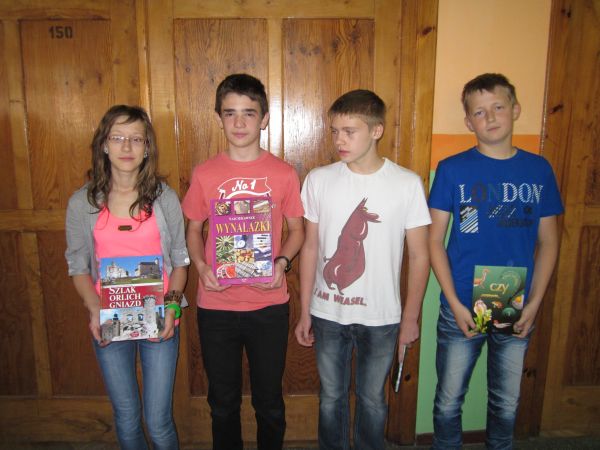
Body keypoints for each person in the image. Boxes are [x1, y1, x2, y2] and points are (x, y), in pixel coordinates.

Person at [428, 73, 563, 450]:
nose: (490, 117)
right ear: (468, 121)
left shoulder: (539, 170)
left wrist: (534, 303)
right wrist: (453, 302)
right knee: (448, 401)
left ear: (515, 110)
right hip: (461, 304)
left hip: (517, 302)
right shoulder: (452, 169)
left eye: (498, 107)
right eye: (479, 111)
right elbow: (435, 240)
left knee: (506, 402)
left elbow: (549, 242)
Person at [295, 89, 431, 450]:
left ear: (376, 130)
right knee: (331, 398)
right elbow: (310, 247)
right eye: (334, 131)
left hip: (381, 318)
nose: (339, 140)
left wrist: (410, 318)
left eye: (349, 131)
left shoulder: (406, 184)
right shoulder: (319, 179)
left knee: (372, 401)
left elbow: (420, 256)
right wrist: (305, 310)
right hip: (328, 312)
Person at [182, 73, 304, 450]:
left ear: (264, 119)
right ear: (219, 117)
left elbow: (297, 231)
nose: (239, 123)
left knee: (269, 404)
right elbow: (193, 230)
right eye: (230, 113)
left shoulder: (283, 173)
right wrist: (201, 267)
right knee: (223, 404)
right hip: (216, 306)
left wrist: (281, 263)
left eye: (248, 113)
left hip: (269, 306)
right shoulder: (205, 173)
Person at [65, 105, 189, 450]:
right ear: (104, 144)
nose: (126, 146)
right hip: (108, 318)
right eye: (117, 137)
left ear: (147, 147)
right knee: (126, 416)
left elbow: (180, 262)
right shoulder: (82, 203)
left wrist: (172, 308)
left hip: (160, 317)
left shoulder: (164, 198)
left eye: (136, 139)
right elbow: (77, 266)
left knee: (159, 422)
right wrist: (94, 309)